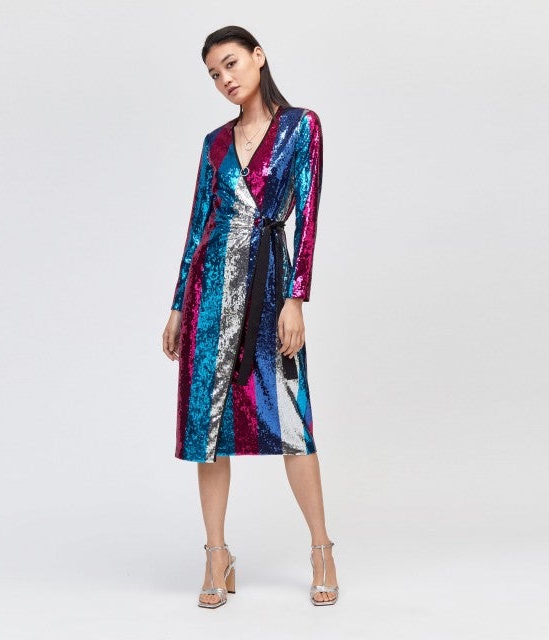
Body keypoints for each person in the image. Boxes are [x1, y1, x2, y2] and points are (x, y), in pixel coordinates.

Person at [162, 25, 339, 608]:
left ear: (259, 57)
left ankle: (321, 548)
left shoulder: (301, 126)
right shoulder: (214, 143)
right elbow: (198, 225)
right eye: (214, 74)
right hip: (209, 293)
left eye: (231, 63)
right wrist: (178, 305)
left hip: (269, 289)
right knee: (207, 428)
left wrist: (296, 297)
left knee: (292, 420)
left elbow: (307, 217)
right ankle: (216, 555)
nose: (225, 79)